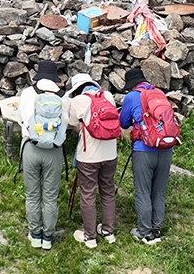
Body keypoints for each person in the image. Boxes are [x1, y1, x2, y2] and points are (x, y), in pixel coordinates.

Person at [119, 69, 174, 244]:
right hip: (165, 148)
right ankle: (156, 230)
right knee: (159, 192)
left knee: (143, 192)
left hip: (143, 149)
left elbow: (123, 122)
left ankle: (144, 232)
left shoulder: (132, 97)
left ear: (131, 85)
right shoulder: (159, 93)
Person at [65, 73, 119, 248]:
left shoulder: (78, 101)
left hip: (88, 156)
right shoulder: (108, 96)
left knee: (88, 193)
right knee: (108, 191)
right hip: (110, 153)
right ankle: (108, 231)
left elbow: (74, 125)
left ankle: (90, 236)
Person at [18, 60, 66, 250]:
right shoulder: (64, 97)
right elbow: (67, 122)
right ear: (55, 78)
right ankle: (47, 237)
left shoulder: (28, 94)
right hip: (54, 151)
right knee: (50, 196)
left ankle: (35, 234)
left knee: (32, 195)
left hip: (31, 147)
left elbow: (21, 117)